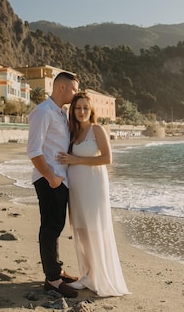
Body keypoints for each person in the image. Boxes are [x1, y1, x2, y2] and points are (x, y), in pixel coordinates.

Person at [56, 92, 130, 297]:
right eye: (77, 108)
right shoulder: (72, 132)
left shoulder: (97, 130)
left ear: (91, 111)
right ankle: (87, 275)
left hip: (94, 186)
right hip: (76, 188)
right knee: (81, 230)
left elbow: (107, 159)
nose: (81, 112)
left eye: (85, 108)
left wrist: (76, 160)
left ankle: (101, 277)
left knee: (95, 229)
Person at [26, 72, 80, 298]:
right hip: (50, 180)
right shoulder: (42, 112)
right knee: (49, 228)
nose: (76, 93)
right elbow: (34, 151)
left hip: (60, 179)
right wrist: (51, 178)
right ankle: (53, 280)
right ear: (61, 87)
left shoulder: (61, 113)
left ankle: (56, 270)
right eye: (74, 89)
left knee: (56, 227)